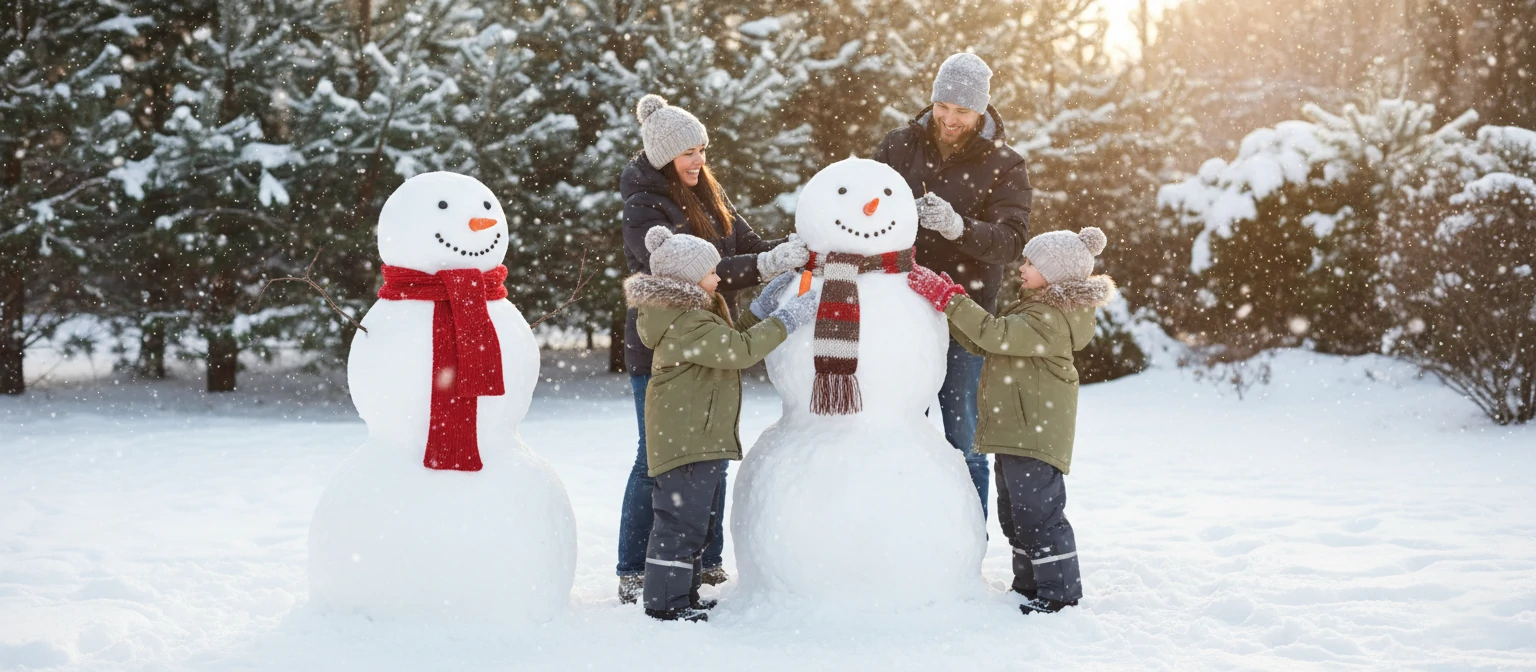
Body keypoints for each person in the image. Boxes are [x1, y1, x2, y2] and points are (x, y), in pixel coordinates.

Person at [617, 94, 810, 603]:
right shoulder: (644, 206)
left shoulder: (706, 191)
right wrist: (762, 268)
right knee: (654, 460)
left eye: (702, 149)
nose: (698, 160)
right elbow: (686, 267)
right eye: (688, 153)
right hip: (665, 347)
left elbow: (743, 244)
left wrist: (784, 256)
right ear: (663, 156)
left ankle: (704, 562)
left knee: (712, 451)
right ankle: (636, 567)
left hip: (710, 337)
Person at [906, 227, 1115, 615]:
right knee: (1016, 515)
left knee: (1039, 515)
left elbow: (994, 334)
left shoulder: (1051, 319)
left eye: (1032, 262)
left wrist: (951, 301)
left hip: (1033, 433)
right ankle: (1028, 584)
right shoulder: (1035, 310)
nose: (1022, 266)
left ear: (1054, 274)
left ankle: (1060, 594)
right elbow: (984, 340)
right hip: (1015, 431)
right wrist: (952, 305)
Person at [623, 227, 819, 622]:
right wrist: (787, 318)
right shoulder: (685, 322)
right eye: (711, 272)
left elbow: (728, 338)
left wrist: (761, 309)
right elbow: (740, 350)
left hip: (698, 434)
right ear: (689, 279)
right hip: (688, 437)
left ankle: (684, 594)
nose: (718, 277)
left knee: (695, 522)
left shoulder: (691, 316)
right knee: (679, 524)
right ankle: (665, 604)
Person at [872, 53, 1032, 518]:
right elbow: (870, 207)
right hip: (901, 310)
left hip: (966, 318)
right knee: (900, 426)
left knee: (964, 437)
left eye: (961, 110)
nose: (949, 118)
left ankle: (968, 543)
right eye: (943, 105)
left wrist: (959, 228)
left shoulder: (1005, 164)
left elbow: (1011, 242)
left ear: (980, 111)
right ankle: (907, 532)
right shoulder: (899, 145)